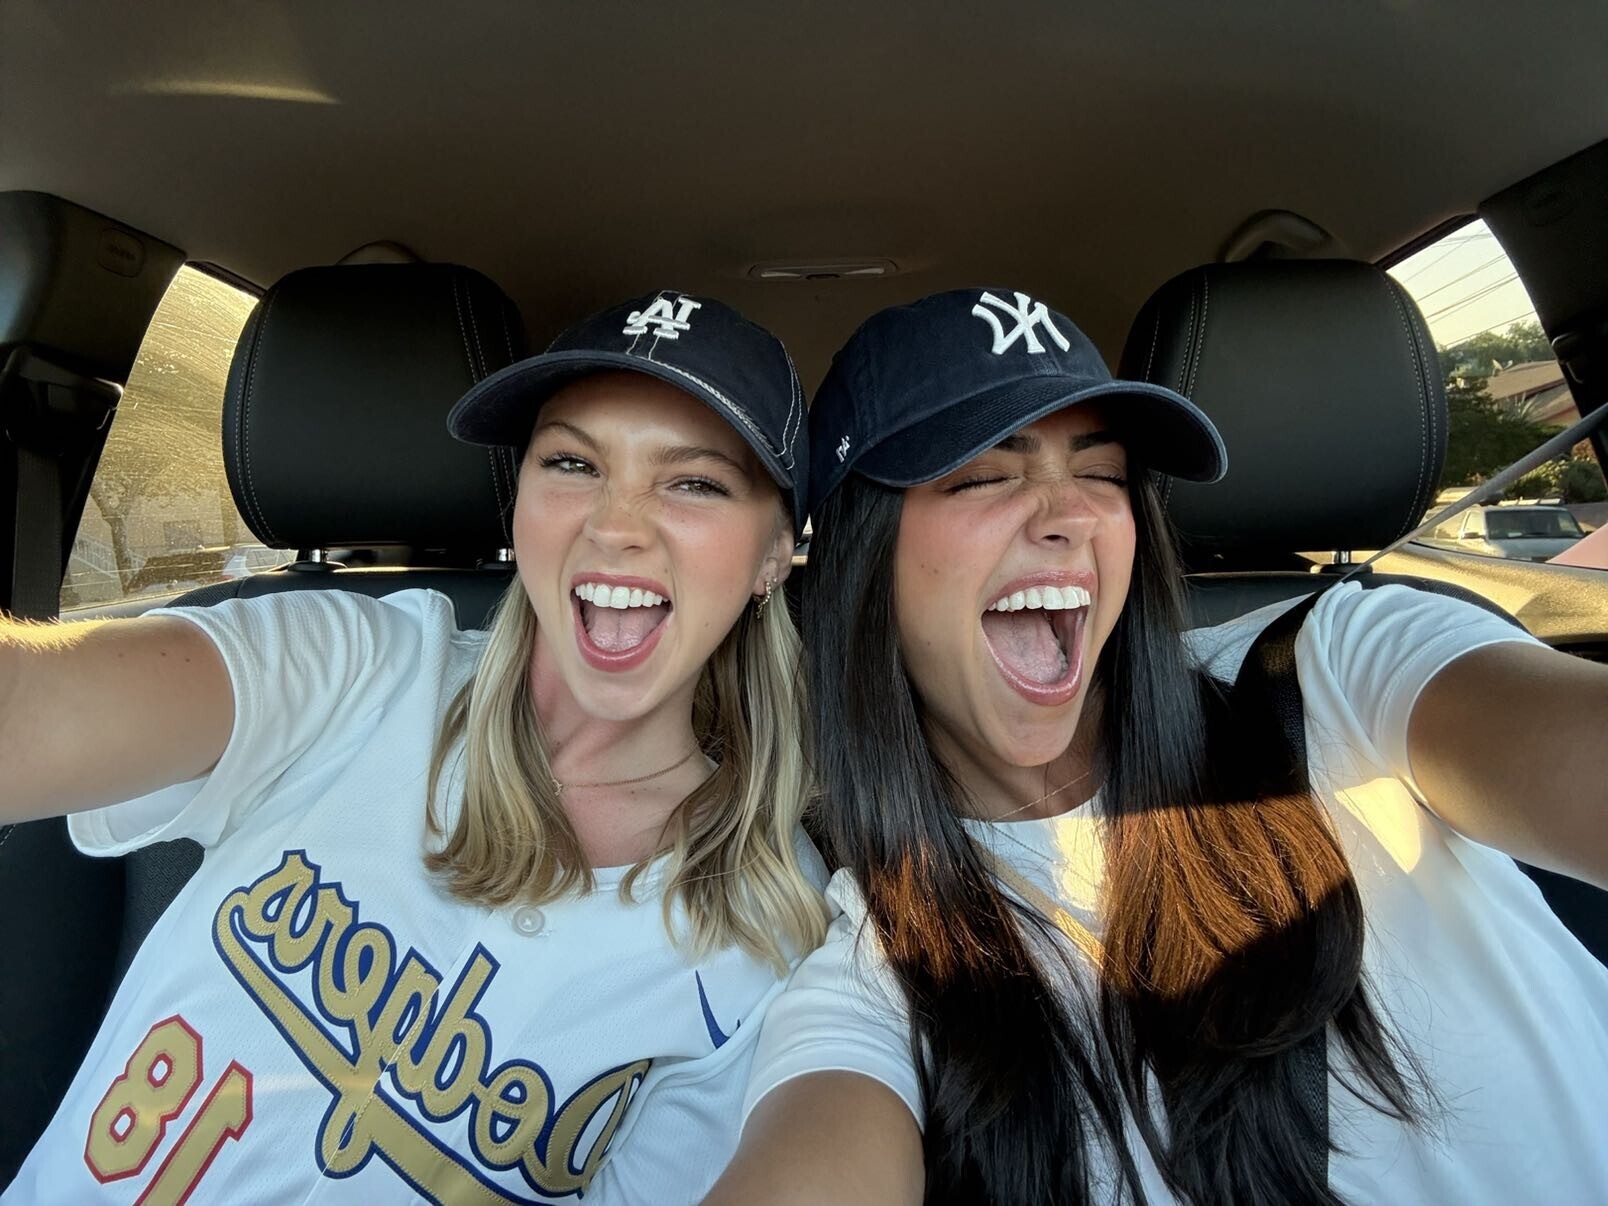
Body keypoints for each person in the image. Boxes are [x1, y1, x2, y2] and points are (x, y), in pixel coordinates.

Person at [707, 289, 1608, 1205]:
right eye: (982, 476)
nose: (1070, 514)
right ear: (864, 556)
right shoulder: (874, 952)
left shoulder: (1343, 669)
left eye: (1102, 474)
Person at [1, 290, 827, 1203]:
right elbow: (28, 710)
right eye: (571, 463)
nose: (615, 527)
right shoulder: (360, 664)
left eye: (695, 483)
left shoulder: (767, 918)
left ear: (774, 554)